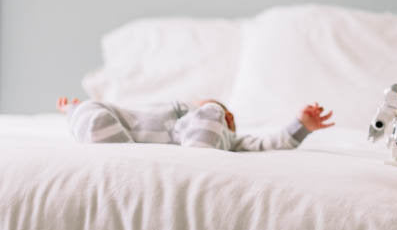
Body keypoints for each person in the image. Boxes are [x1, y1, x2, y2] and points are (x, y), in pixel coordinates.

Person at [57, 97, 334, 151]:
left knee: (208, 117)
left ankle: (200, 151)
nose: (227, 116)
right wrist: (74, 109)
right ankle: (82, 115)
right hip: (128, 132)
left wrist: (301, 126)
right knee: (93, 111)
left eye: (228, 116)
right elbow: (130, 112)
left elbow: (272, 142)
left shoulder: (233, 140)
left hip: (194, 142)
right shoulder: (170, 109)